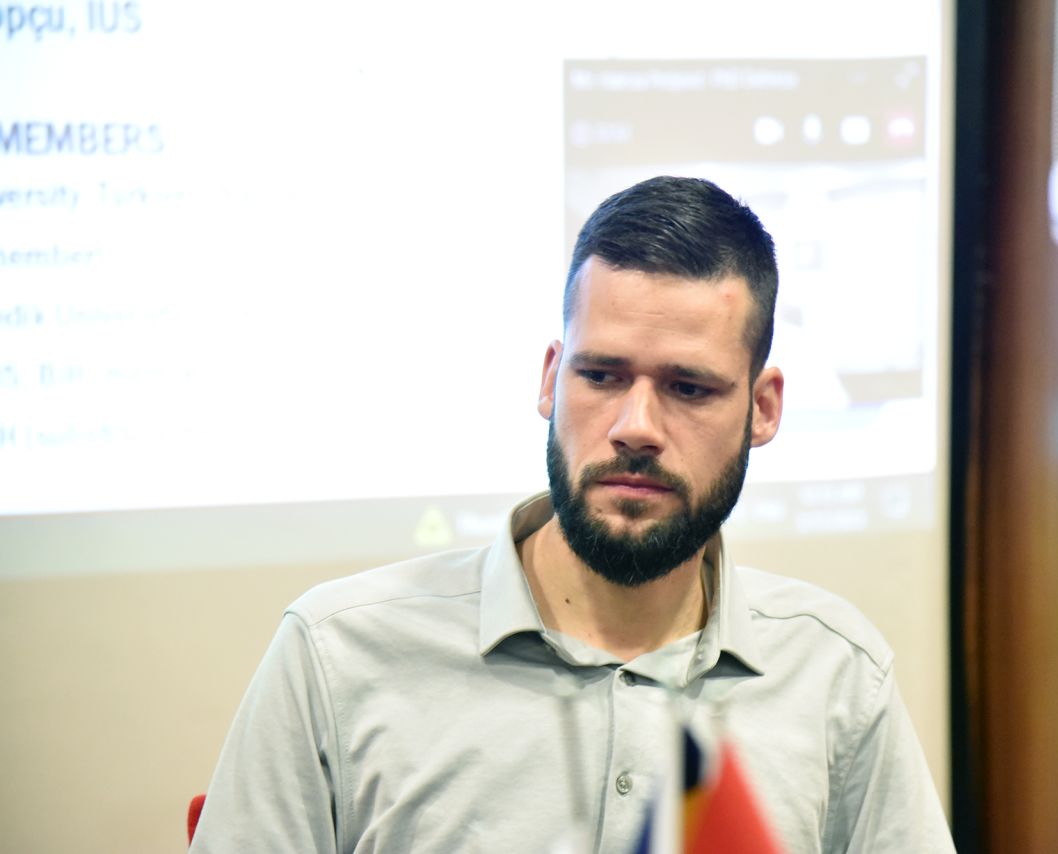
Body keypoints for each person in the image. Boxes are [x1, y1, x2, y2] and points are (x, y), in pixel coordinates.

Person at [190, 176, 953, 853]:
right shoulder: (338, 655)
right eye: (602, 375)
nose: (636, 427)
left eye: (688, 388)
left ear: (763, 408)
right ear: (551, 379)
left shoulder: (836, 676)